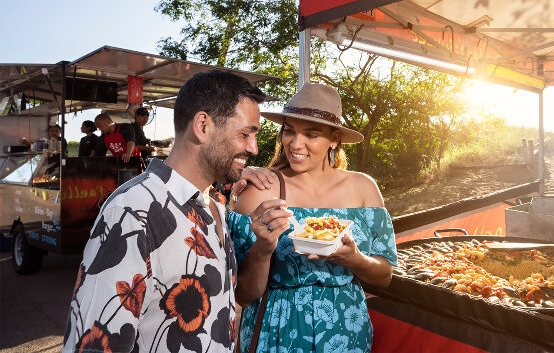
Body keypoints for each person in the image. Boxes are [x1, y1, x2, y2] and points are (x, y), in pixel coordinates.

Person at [63, 70, 281, 352]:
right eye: (245, 134)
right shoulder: (130, 211)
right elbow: (91, 345)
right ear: (202, 126)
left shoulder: (213, 204)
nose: (253, 148)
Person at [230, 83, 398, 352]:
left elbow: (384, 275)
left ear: (334, 139)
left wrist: (355, 259)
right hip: (278, 330)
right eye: (289, 131)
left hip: (346, 330)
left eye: (311, 134)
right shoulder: (260, 191)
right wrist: (262, 249)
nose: (296, 144)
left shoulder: (364, 188)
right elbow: (244, 295)